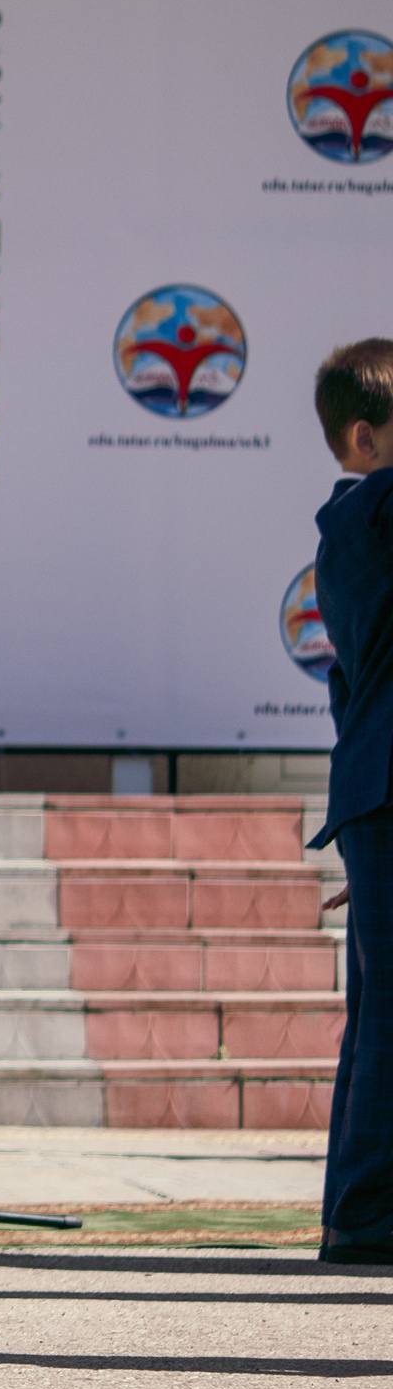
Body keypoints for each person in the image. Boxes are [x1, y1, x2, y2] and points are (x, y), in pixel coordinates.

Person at [310, 338, 393, 1267]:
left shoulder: (351, 529)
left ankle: (357, 1210)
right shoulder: (376, 511)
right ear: (365, 439)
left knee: (376, 1015)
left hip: (377, 794)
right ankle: (368, 1217)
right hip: (383, 796)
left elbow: (349, 694)